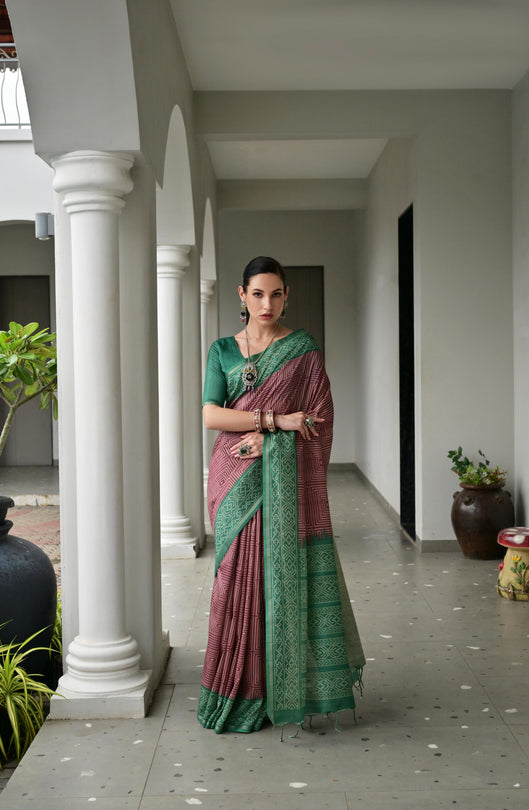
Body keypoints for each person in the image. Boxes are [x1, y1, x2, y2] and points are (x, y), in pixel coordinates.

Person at [198, 255, 365, 736]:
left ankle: (282, 689)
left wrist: (272, 439)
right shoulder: (223, 350)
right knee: (236, 578)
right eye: (257, 294)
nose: (266, 304)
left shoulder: (303, 351)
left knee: (279, 578)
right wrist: (273, 420)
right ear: (242, 295)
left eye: (275, 294)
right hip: (233, 476)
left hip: (281, 477)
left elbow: (318, 421)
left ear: (287, 295)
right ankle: (237, 691)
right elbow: (211, 415)